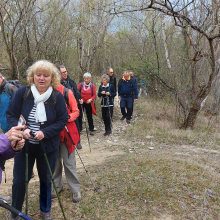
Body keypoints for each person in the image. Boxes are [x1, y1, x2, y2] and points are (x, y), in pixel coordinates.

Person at [6, 60, 68, 220]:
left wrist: (45, 132)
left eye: (45, 75)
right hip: (23, 145)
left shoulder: (57, 96)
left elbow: (62, 120)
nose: (41, 78)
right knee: (20, 180)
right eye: (38, 75)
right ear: (32, 76)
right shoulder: (23, 93)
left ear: (52, 78)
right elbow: (11, 115)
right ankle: (16, 212)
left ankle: (45, 210)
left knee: (46, 179)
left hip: (48, 146)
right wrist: (23, 130)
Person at [53, 83, 81, 203]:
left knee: (69, 162)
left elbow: (76, 111)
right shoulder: (43, 92)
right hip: (52, 133)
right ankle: (57, 186)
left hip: (67, 132)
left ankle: (75, 189)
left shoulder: (66, 92)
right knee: (54, 162)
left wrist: (66, 118)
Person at [56, 64, 83, 149]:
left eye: (65, 72)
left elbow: (76, 92)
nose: (65, 74)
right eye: (62, 72)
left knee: (76, 126)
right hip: (64, 110)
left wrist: (79, 98)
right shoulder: (56, 85)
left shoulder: (71, 82)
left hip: (73, 108)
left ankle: (78, 141)